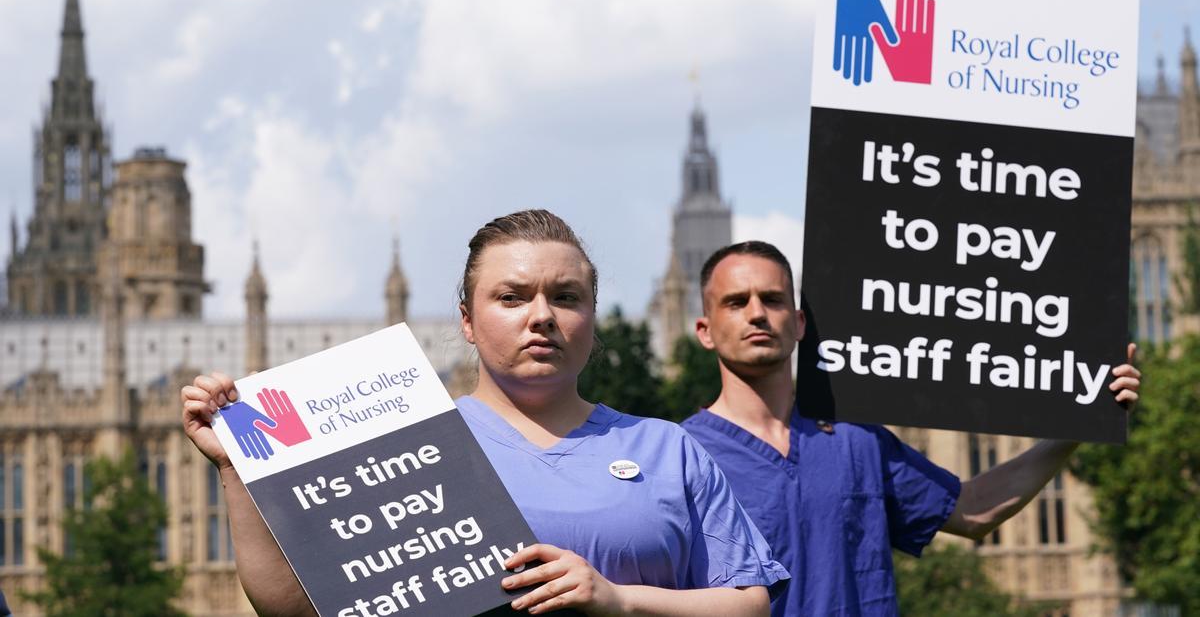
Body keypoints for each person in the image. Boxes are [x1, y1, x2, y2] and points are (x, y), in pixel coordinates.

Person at [182, 210, 786, 617]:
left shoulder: (664, 449)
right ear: (467, 320)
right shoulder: (406, 442)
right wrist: (236, 469)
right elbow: (294, 606)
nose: (542, 315)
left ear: (593, 318)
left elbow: (749, 603)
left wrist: (617, 599)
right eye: (512, 297)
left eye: (567, 297)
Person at [680, 241, 1141, 617]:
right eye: (737, 302)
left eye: (774, 299)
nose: (758, 313)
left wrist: (1081, 422)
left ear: (799, 322)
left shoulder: (857, 439)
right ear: (704, 329)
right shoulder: (682, 455)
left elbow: (975, 509)